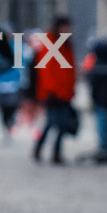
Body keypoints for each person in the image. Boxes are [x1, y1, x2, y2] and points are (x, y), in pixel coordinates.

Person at [33, 16, 76, 165]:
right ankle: (39, 148)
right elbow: (45, 69)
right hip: (52, 93)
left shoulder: (67, 45)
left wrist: (71, 89)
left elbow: (71, 69)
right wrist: (51, 89)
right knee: (51, 123)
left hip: (65, 93)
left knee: (62, 124)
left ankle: (56, 152)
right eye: (65, 27)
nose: (68, 30)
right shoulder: (50, 42)